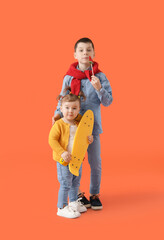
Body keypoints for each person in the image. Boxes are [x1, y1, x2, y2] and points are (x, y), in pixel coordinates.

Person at [52, 37, 113, 210]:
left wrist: (99, 88)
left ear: (93, 54)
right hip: (71, 128)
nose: (85, 53)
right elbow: (62, 99)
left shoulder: (100, 76)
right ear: (75, 54)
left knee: (95, 162)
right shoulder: (69, 78)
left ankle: (94, 194)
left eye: (88, 50)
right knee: (74, 162)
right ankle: (76, 194)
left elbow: (108, 102)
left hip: (91, 129)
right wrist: (56, 114)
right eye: (81, 50)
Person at [49, 87, 93, 218]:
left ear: (79, 110)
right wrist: (62, 152)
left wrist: (89, 139)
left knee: (75, 182)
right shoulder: (59, 124)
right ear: (61, 109)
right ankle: (61, 207)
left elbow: (82, 138)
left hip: (77, 160)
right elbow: (52, 140)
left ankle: (73, 202)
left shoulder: (79, 123)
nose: (70, 111)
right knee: (65, 183)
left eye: (74, 108)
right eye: (67, 108)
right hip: (64, 161)